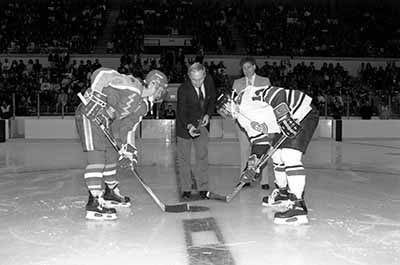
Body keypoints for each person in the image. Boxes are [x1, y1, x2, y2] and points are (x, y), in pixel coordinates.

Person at [75, 67, 168, 220]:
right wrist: (95, 97)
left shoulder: (143, 106)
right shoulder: (132, 84)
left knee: (111, 154)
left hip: (104, 122)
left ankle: (110, 192)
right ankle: (94, 202)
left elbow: (129, 129)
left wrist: (129, 152)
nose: (161, 95)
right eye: (161, 89)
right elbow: (102, 73)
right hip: (89, 114)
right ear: (153, 84)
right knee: (97, 158)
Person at [237, 85, 319, 225]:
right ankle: (283, 193)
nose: (223, 110)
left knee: (290, 155)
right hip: (284, 122)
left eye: (224, 105)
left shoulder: (246, 96)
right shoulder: (241, 118)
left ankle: (298, 206)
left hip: (301, 112)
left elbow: (277, 93)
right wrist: (252, 165)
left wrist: (283, 117)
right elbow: (260, 142)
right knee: (276, 154)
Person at [176, 63, 216, 200]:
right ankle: (186, 189)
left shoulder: (209, 82)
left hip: (202, 124)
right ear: (189, 76)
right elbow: (181, 111)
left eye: (200, 79)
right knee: (184, 159)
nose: (197, 82)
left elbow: (212, 100)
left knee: (202, 157)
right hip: (185, 126)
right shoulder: (183, 89)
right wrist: (189, 127)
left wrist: (208, 115)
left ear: (204, 75)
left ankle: (203, 188)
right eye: (194, 79)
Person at [231, 56, 271, 190]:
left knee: (262, 151)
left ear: (254, 67)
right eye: (244, 68)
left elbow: (268, 102)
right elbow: (234, 103)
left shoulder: (265, 81)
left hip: (260, 123)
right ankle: (244, 179)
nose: (246, 70)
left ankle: (264, 181)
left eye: (248, 67)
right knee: (245, 150)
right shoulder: (237, 83)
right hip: (243, 123)